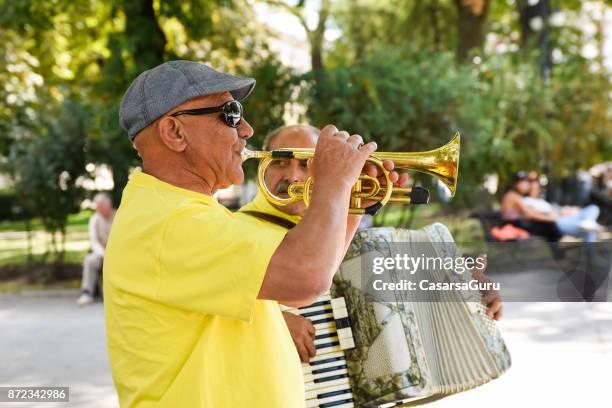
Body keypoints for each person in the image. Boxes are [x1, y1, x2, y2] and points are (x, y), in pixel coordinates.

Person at [103, 60, 404, 408]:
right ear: (175, 133)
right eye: (230, 114)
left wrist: (351, 204)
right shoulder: (171, 222)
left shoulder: (178, 212)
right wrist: (333, 183)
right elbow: (306, 277)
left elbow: (298, 288)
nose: (246, 129)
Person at [239, 124, 503, 363]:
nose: (293, 176)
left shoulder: (341, 225)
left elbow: (396, 286)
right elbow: (209, 301)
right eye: (281, 162)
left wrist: (465, 287)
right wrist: (276, 321)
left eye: (308, 164)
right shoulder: (238, 229)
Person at [77, 192, 115, 306]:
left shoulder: (118, 215)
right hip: (101, 253)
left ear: (109, 205)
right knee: (90, 260)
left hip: (117, 252)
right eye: (98, 207)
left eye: (101, 207)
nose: (99, 210)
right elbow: (94, 241)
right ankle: (87, 293)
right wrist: (103, 254)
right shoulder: (95, 219)